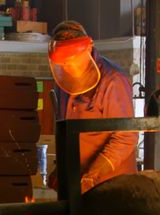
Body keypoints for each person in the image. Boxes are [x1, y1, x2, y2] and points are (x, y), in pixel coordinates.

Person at [48, 20, 137, 194]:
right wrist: (61, 169)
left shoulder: (113, 81)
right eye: (64, 63)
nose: (69, 67)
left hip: (113, 188)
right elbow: (67, 133)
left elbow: (126, 137)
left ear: (89, 49)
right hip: (79, 185)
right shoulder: (63, 84)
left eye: (73, 60)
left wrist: (92, 176)